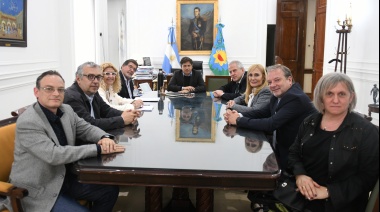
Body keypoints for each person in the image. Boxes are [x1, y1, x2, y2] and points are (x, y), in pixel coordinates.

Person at [5, 70, 125, 212]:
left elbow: (86, 128)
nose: (56, 93)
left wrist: (105, 137)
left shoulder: (66, 110)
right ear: (36, 92)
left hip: (63, 178)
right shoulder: (28, 121)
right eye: (49, 89)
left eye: (60, 89)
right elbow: (54, 155)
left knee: (109, 191)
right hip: (38, 189)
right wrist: (98, 148)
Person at [288, 73, 379, 211]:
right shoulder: (309, 122)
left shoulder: (366, 131)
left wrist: (329, 192)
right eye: (329, 94)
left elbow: (369, 176)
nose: (335, 100)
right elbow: (294, 153)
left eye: (341, 94)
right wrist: (300, 175)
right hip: (302, 198)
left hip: (341, 204)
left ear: (351, 97)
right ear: (321, 97)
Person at [223, 64, 317, 170]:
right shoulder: (277, 95)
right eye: (270, 82)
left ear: (289, 80)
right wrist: (237, 114)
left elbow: (271, 124)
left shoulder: (295, 98)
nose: (272, 85)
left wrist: (238, 120)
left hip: (299, 157)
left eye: (277, 80)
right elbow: (261, 112)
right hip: (282, 148)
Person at [64, 61, 139, 131]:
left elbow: (107, 110)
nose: (96, 81)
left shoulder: (93, 92)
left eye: (98, 77)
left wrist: (127, 115)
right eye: (90, 76)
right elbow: (89, 124)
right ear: (78, 79)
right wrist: (122, 119)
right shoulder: (72, 97)